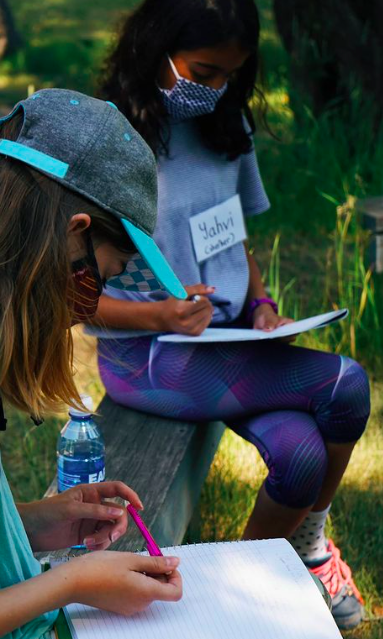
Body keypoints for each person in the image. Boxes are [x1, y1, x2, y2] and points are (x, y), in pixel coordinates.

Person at [90, 0, 371, 630]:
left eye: (230, 76)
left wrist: (263, 304)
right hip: (150, 358)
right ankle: (308, 552)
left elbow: (230, 234)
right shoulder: (110, 144)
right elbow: (64, 294)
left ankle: (243, 594)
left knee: (300, 457)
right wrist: (159, 312)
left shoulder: (224, 124)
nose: (214, 89)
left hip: (229, 343)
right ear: (154, 49)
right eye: (202, 70)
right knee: (346, 382)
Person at [0, 89, 184, 639]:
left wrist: (38, 521)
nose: (93, 300)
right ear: (72, 233)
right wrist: (74, 583)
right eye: (104, 275)